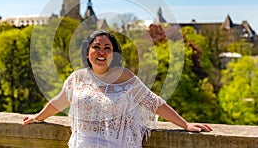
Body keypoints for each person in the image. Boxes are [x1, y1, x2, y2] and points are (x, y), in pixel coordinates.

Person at [23, 30, 212, 148]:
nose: (102, 51)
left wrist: (185, 125)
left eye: (107, 47)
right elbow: (59, 102)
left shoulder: (125, 77)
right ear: (88, 53)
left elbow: (154, 103)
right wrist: (37, 117)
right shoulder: (77, 78)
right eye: (96, 47)